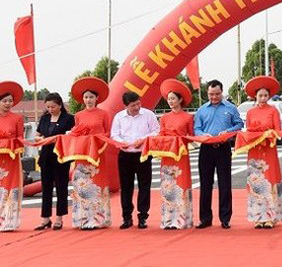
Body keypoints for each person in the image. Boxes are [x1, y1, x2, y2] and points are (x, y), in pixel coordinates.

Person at [235, 76, 282, 229]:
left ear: (269, 96)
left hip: (268, 150)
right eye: (260, 95)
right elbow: (248, 130)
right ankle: (258, 216)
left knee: (269, 181)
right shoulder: (250, 112)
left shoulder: (273, 111)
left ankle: (270, 217)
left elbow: (278, 131)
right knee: (256, 182)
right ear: (255, 96)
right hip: (254, 151)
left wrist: (267, 134)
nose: (263, 98)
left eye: (265, 95)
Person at [194, 79, 243, 229]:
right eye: (211, 94)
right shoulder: (202, 110)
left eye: (217, 94)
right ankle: (205, 218)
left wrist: (228, 132)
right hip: (206, 149)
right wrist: (203, 134)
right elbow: (196, 129)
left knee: (225, 183)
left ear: (222, 92)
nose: (214, 97)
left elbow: (239, 124)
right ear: (207, 93)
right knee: (205, 184)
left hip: (223, 148)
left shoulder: (231, 108)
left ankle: (225, 218)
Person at [146, 79, 194, 230]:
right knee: (168, 186)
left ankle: (182, 219)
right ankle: (168, 219)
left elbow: (191, 137)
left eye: (173, 98)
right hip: (167, 157)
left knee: (181, 184)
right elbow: (161, 135)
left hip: (181, 156)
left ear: (180, 99)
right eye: (169, 99)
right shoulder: (164, 118)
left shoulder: (188, 117)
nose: (170, 101)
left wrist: (180, 140)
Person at [67, 77, 113, 230]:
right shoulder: (78, 115)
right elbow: (76, 133)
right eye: (86, 97)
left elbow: (108, 133)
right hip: (82, 155)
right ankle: (82, 219)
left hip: (97, 154)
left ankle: (98, 219)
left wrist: (95, 140)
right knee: (82, 184)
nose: (88, 100)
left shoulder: (104, 114)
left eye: (91, 97)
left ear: (97, 98)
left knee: (97, 184)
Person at [111, 92, 160, 229]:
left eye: (138, 103)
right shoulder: (119, 117)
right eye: (133, 105)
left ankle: (143, 216)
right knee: (126, 187)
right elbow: (114, 134)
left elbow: (156, 131)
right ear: (126, 106)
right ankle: (127, 217)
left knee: (144, 186)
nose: (137, 107)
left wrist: (143, 140)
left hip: (143, 154)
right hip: (125, 154)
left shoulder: (148, 115)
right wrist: (123, 142)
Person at [34, 93, 74, 231]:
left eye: (53, 107)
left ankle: (59, 218)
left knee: (61, 187)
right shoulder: (45, 118)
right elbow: (37, 135)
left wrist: (55, 139)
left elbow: (70, 136)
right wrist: (41, 139)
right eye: (48, 107)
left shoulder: (68, 118)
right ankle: (45, 218)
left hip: (60, 157)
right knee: (46, 188)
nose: (50, 109)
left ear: (60, 105)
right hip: (46, 157)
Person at [0, 81, 24, 232]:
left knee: (10, 187)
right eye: (4, 101)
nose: (8, 103)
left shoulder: (17, 118)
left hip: (11, 158)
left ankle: (9, 221)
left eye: (10, 101)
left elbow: (20, 138)